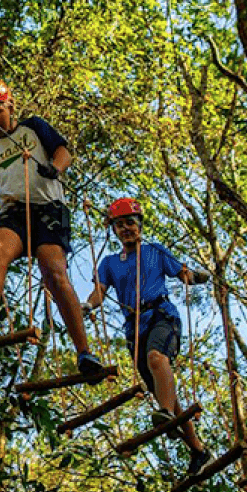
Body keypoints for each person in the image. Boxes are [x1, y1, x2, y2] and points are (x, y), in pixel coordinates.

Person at [0, 81, 105, 379]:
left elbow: (63, 150)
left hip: (48, 210)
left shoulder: (32, 128)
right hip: (13, 211)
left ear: (10, 106)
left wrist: (56, 169)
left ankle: (84, 351)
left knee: (54, 272)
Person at [81, 197, 213, 477]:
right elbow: (100, 292)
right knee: (164, 392)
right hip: (134, 330)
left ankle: (165, 416)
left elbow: (183, 274)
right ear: (114, 230)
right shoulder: (109, 263)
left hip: (162, 315)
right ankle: (198, 450)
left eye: (130, 222)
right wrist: (87, 305)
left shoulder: (155, 251)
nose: (126, 228)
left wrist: (198, 277)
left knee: (157, 358)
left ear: (139, 224)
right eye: (120, 225)